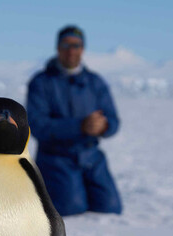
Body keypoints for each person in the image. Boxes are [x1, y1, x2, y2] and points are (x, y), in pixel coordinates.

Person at [26, 25, 122, 216]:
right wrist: (79, 126)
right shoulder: (42, 82)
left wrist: (104, 126)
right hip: (56, 158)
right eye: (66, 44)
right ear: (58, 48)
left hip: (91, 155)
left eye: (76, 45)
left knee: (110, 207)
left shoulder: (95, 82)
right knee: (72, 208)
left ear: (83, 49)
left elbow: (113, 120)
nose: (71, 50)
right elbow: (37, 125)